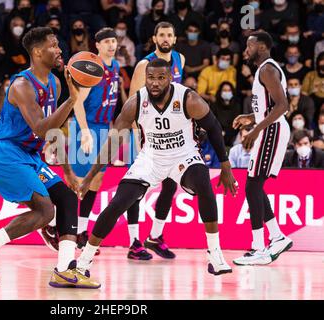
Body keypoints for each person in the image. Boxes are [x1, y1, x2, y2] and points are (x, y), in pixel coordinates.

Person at [0, 27, 100, 289]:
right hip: (6, 154)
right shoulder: (22, 85)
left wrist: (67, 171)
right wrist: (72, 100)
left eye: (59, 45)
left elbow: (54, 131)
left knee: (67, 197)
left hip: (30, 155)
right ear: (37, 51)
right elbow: (40, 128)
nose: (60, 50)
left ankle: (64, 269)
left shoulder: (55, 83)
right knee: (44, 210)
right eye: (54, 45)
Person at [76, 58, 236, 280]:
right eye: (150, 77)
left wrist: (225, 165)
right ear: (145, 79)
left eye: (161, 78)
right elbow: (113, 142)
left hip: (184, 156)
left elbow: (214, 127)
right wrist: (90, 175)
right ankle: (84, 260)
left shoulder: (188, 98)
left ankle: (215, 254)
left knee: (204, 185)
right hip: (151, 158)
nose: (155, 83)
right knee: (117, 203)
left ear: (170, 78)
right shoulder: (135, 102)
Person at [124, 21, 185, 260]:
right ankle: (133, 243)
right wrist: (139, 136)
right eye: (162, 35)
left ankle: (155, 236)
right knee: (136, 188)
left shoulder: (180, 58)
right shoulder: (144, 64)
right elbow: (132, 103)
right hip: (146, 134)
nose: (166, 38)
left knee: (170, 185)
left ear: (175, 38)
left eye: (170, 34)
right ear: (155, 38)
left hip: (171, 133)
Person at [232, 31, 293, 266]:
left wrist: (257, 130)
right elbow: (268, 107)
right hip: (270, 128)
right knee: (255, 184)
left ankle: (258, 246)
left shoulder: (267, 69)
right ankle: (276, 237)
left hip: (272, 130)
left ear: (263, 47)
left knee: (253, 185)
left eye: (250, 45)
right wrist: (251, 117)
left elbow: (283, 105)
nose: (246, 50)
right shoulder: (264, 70)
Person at [62, 28, 120, 253]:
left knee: (95, 181)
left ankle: (81, 232)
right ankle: (65, 229)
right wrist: (85, 132)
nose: (111, 45)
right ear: (97, 45)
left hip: (104, 127)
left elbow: (113, 99)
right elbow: (76, 102)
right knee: (76, 182)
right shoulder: (92, 69)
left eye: (114, 41)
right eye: (106, 41)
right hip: (86, 127)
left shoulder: (115, 66)